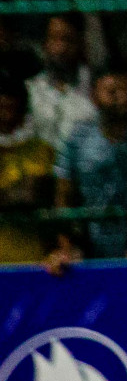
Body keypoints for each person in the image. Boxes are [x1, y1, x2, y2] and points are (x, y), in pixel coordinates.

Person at [47, 67, 127, 271]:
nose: (122, 97)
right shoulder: (79, 136)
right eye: (112, 92)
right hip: (90, 243)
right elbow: (63, 196)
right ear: (94, 97)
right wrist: (67, 249)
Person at [0, 74, 53, 263]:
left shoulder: (40, 150)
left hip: (32, 262)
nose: (5, 116)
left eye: (10, 108)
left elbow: (31, 194)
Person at [25, 13, 96, 154]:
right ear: (44, 44)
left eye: (68, 40)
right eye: (54, 39)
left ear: (81, 43)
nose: (61, 48)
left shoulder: (95, 86)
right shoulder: (30, 90)